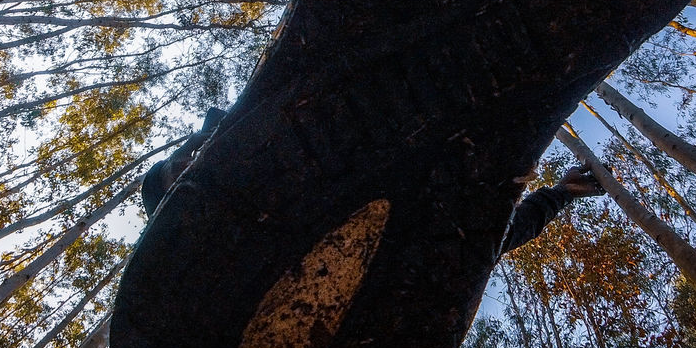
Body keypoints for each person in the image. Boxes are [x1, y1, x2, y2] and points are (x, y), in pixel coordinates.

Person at [140, 108, 606, 250]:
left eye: (189, 160)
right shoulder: (260, 247)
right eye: (184, 177)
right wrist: (558, 195)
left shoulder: (284, 132)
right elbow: (481, 241)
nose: (196, 166)